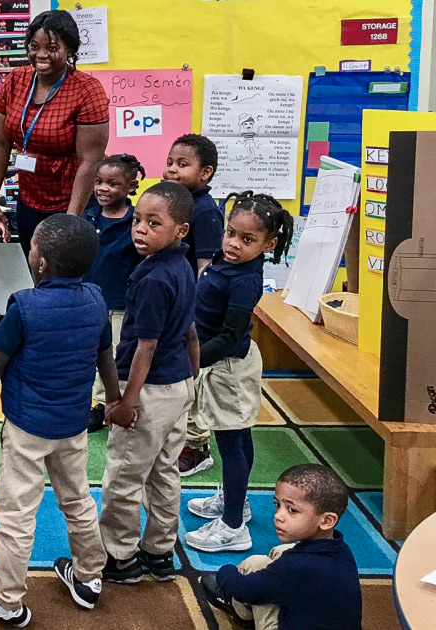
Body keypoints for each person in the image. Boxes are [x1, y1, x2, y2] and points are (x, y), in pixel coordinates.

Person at [0, 214, 120, 624]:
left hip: (26, 429)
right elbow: (106, 357)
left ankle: (7, 601)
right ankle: (89, 577)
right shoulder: (96, 300)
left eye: (33, 246)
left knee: (16, 516)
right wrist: (117, 400)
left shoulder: (25, 305)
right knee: (78, 500)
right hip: (73, 426)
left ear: (41, 263)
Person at [98, 182, 200, 585]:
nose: (140, 229)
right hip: (177, 386)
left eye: (153, 223)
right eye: (138, 220)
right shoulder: (182, 266)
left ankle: (119, 556)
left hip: (150, 391)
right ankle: (159, 551)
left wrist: (126, 401)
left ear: (181, 230)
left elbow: (146, 346)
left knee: (123, 476)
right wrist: (192, 380)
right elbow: (190, 331)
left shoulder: (155, 278)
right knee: (164, 471)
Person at [184, 193, 294, 554]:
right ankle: (237, 502)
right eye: (230, 233)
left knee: (232, 444)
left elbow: (229, 337)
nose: (233, 244)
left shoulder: (245, 279)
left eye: (247, 240)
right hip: (223, 363)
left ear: (269, 244)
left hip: (229, 367)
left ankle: (233, 527)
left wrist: (190, 361)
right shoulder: (225, 261)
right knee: (236, 439)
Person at [0, 10, 110, 255]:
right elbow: (0, 145)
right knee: (39, 272)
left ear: (70, 50)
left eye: (52, 48)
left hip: (72, 203)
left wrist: (71, 220)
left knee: (69, 280)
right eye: (34, 46)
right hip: (29, 200)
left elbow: (90, 161)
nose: (40, 55)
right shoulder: (15, 80)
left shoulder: (87, 91)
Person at [200, 464, 361, 630]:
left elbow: (244, 589)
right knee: (280, 553)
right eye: (278, 505)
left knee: (254, 566)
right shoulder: (342, 550)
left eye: (292, 510)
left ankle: (242, 612)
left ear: (327, 521)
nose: (278, 516)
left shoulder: (295, 566)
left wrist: (225, 572)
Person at [162, 133, 226, 476]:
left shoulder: (204, 212)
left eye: (182, 165)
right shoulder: (177, 203)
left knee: (194, 380)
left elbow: (206, 267)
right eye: (170, 162)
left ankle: (197, 446)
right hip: (174, 306)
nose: (172, 170)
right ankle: (179, 435)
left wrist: (196, 310)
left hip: (192, 309)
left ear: (206, 172)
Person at [82, 154, 145, 431]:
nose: (103, 188)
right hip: (91, 301)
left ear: (131, 187)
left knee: (115, 356)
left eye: (113, 183)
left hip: (120, 304)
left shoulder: (135, 222)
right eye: (98, 182)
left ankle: (114, 404)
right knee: (91, 354)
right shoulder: (89, 216)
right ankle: (96, 406)